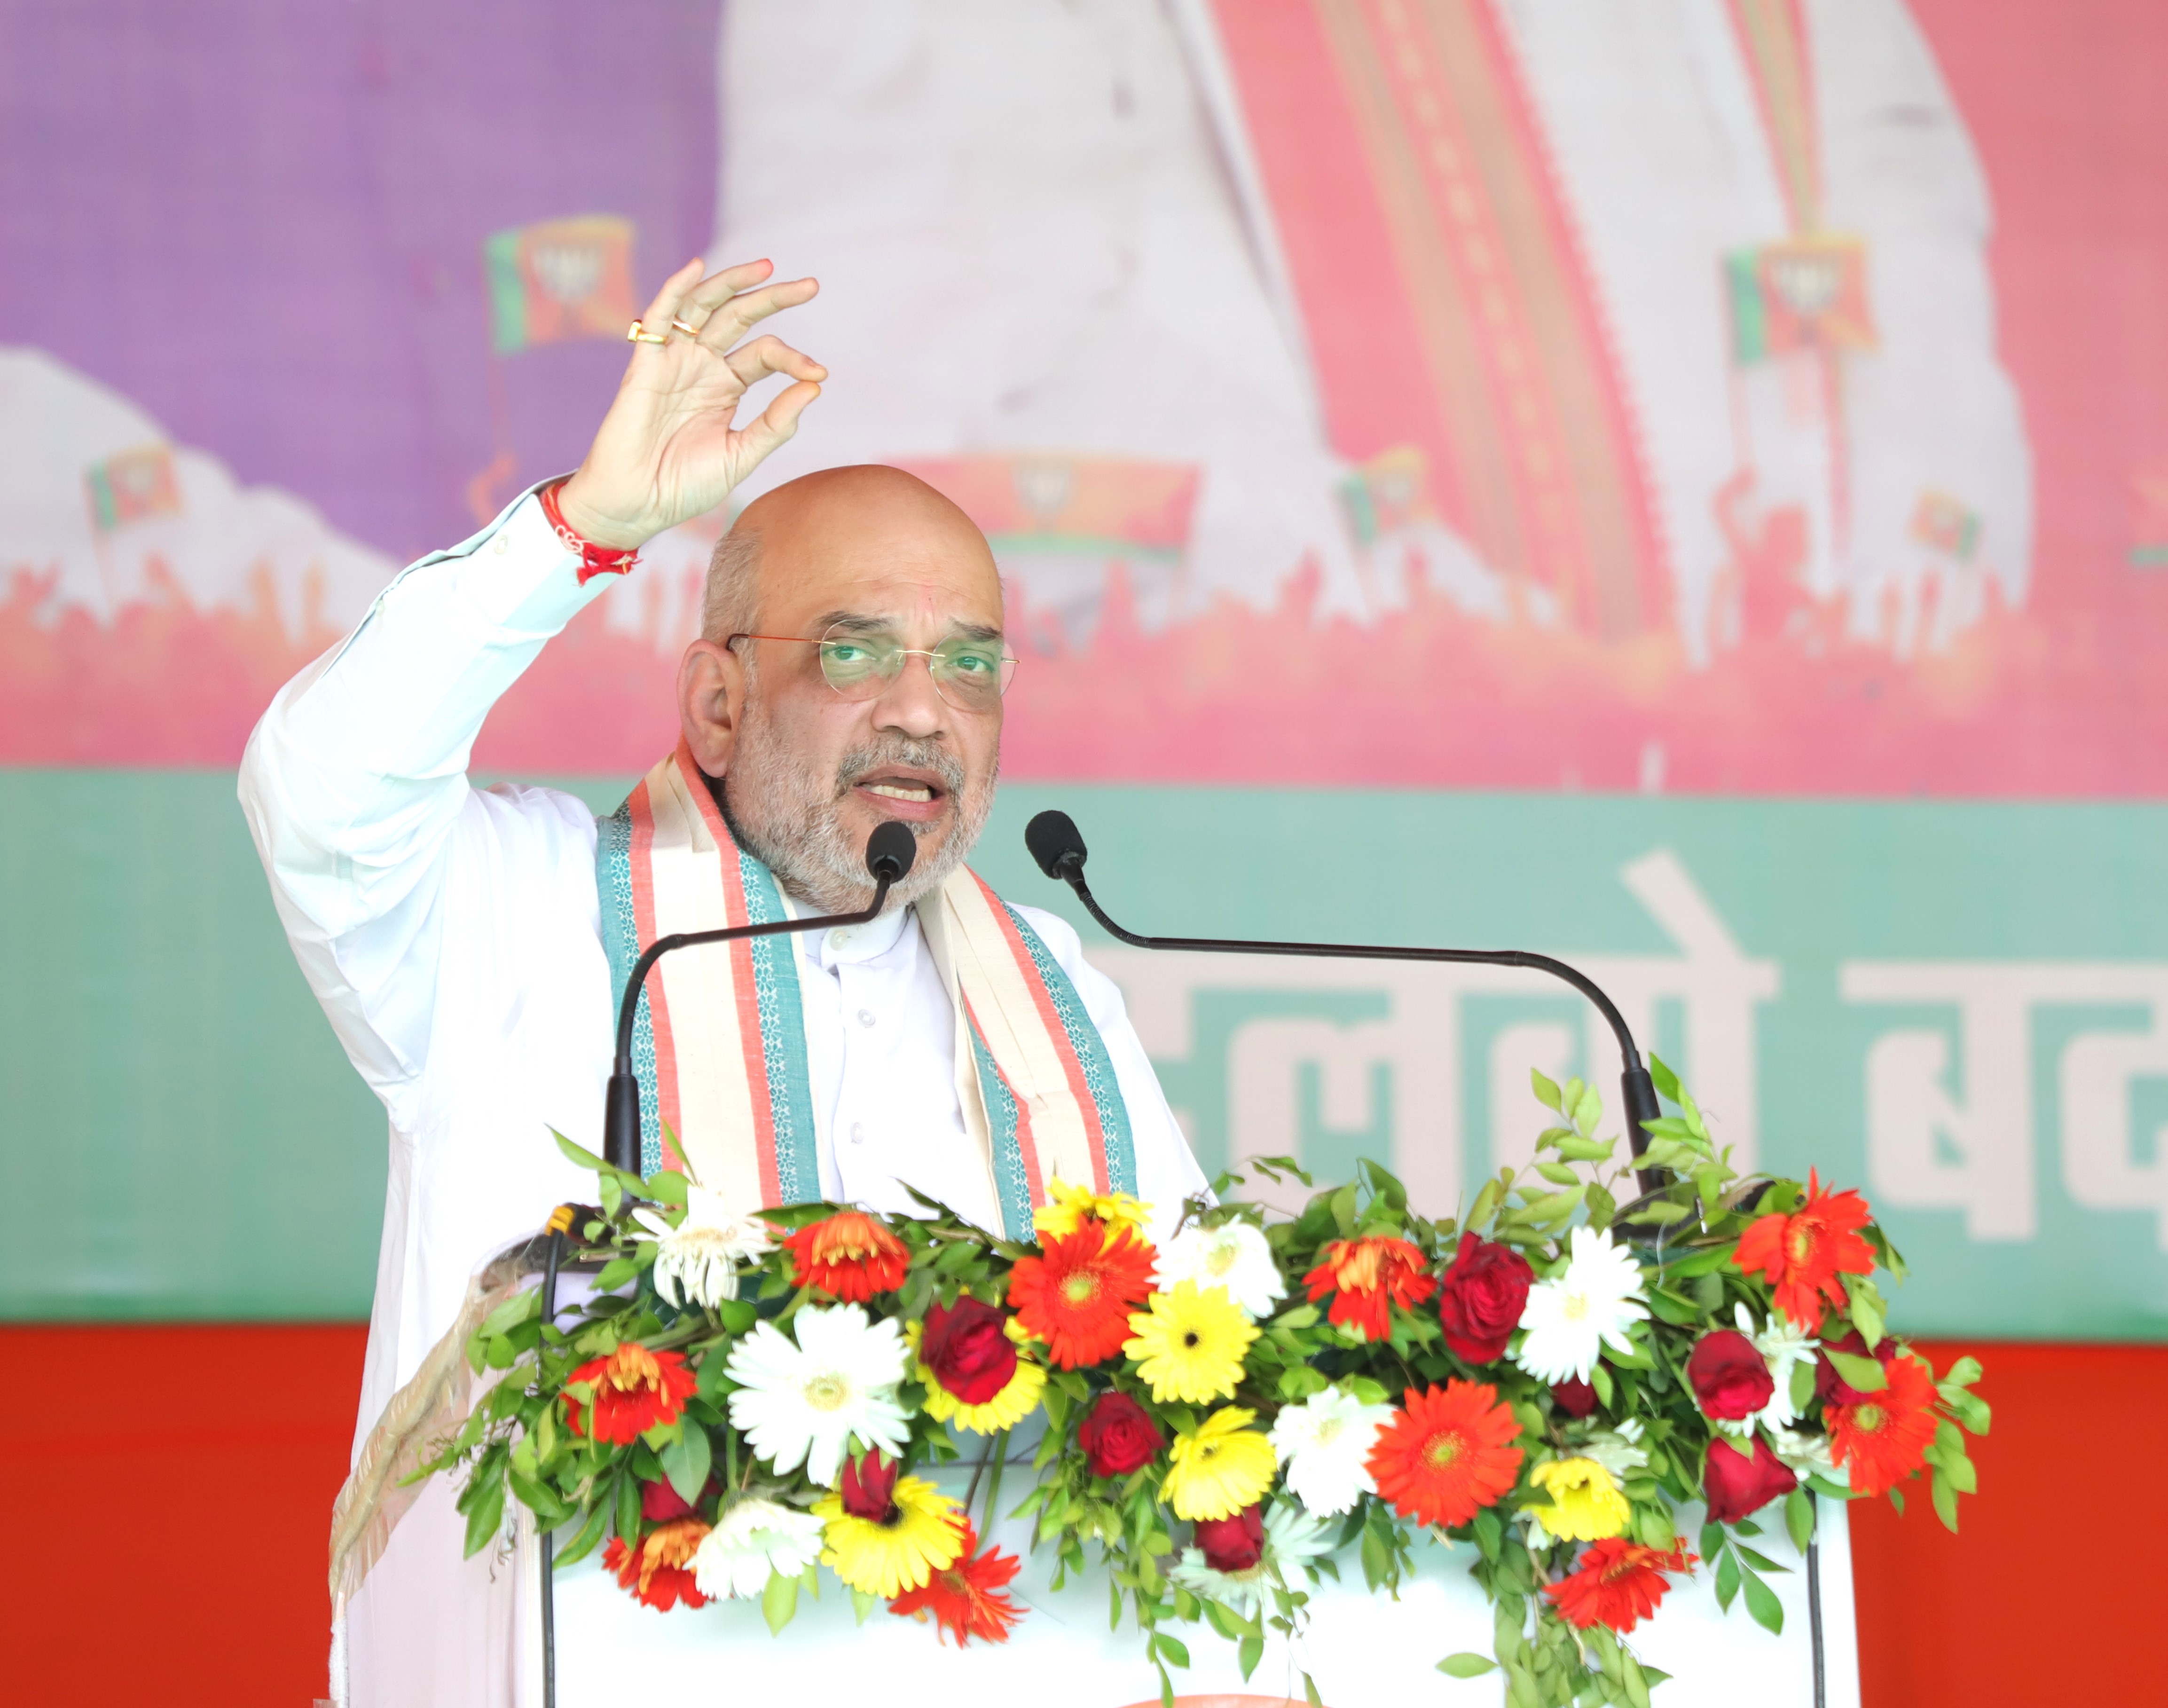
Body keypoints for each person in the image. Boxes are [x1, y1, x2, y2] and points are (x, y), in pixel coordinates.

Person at [239, 256, 1207, 1708]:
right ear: (713, 698)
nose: (921, 709)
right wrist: (580, 533)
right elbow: (321, 790)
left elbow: (1200, 1361)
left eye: (970, 666)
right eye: (856, 647)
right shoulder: (526, 909)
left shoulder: (1052, 989)